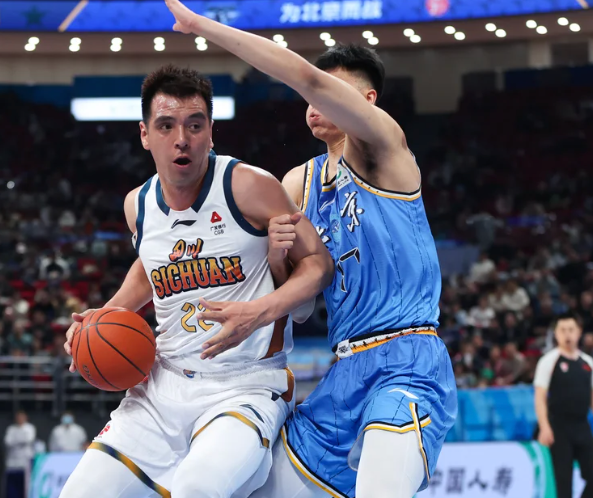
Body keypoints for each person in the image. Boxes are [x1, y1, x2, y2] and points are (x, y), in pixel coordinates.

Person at [163, 3, 457, 497]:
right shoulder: (298, 183)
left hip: (407, 357)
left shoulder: (386, 148)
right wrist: (278, 260)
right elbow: (300, 311)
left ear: (367, 100)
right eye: (309, 96)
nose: (312, 101)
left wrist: (200, 26)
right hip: (343, 369)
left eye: (327, 91)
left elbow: (305, 76)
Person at [59, 65, 333, 498]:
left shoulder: (250, 186)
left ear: (210, 133)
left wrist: (259, 312)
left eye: (194, 125)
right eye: (166, 126)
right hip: (162, 386)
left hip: (244, 385)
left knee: (197, 487)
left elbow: (319, 264)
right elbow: (151, 265)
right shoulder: (137, 205)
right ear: (145, 134)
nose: (181, 138)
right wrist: (101, 318)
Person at [534, 313, 593, 498]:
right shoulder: (548, 361)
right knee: (564, 484)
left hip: (582, 426)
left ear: (579, 332)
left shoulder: (588, 363)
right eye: (563, 330)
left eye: (571, 330)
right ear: (556, 334)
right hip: (558, 428)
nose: (567, 334)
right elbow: (540, 397)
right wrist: (544, 427)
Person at [4, 410, 36, 498]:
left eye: (22, 417)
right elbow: (8, 442)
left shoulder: (30, 428)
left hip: (25, 463)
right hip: (12, 464)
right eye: (18, 417)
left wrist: (16, 440)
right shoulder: (11, 429)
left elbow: (28, 439)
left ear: (26, 417)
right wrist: (20, 440)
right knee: (12, 489)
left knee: (25, 488)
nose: (20, 419)